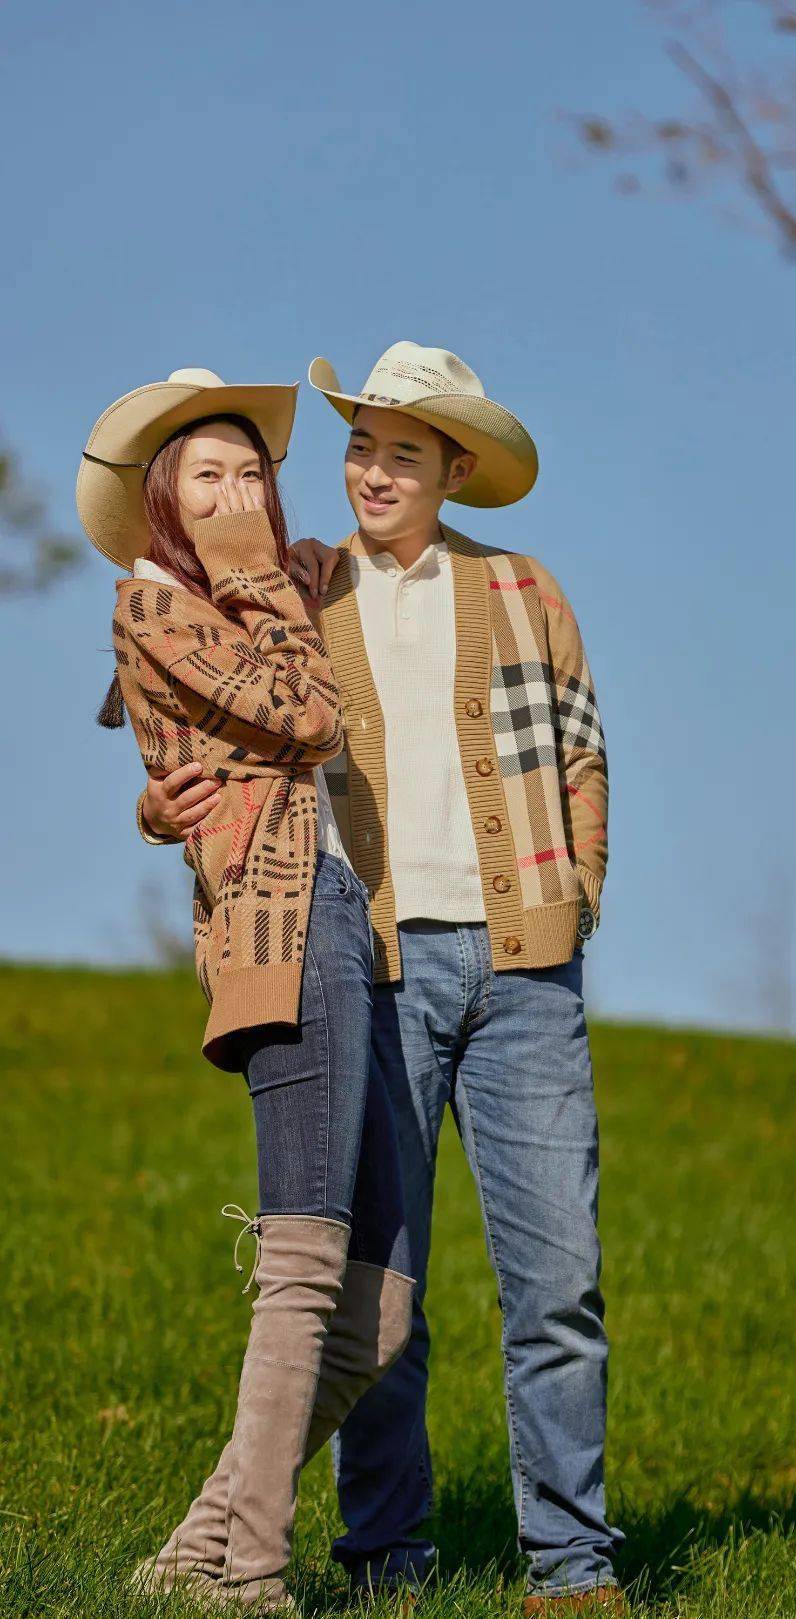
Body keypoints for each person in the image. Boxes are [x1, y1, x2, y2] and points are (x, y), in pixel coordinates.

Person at [141, 342, 622, 1611]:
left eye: (402, 451)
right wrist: (155, 799)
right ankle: (385, 1558)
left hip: (526, 976)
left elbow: (584, 750)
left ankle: (572, 1566)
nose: (372, 469)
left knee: (558, 1282)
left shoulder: (527, 589)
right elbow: (172, 700)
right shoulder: (297, 582)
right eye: (359, 445)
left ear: (453, 469)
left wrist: (570, 896)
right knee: (383, 1291)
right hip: (376, 960)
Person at [80, 368, 414, 1614]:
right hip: (284, 927)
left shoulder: (263, 592)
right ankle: (253, 1573)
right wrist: (257, 567)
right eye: (206, 475)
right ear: (164, 501)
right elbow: (309, 712)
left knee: (379, 1306)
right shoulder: (158, 604)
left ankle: (190, 1554)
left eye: (252, 472)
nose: (239, 495)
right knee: (307, 1254)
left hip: (347, 916)